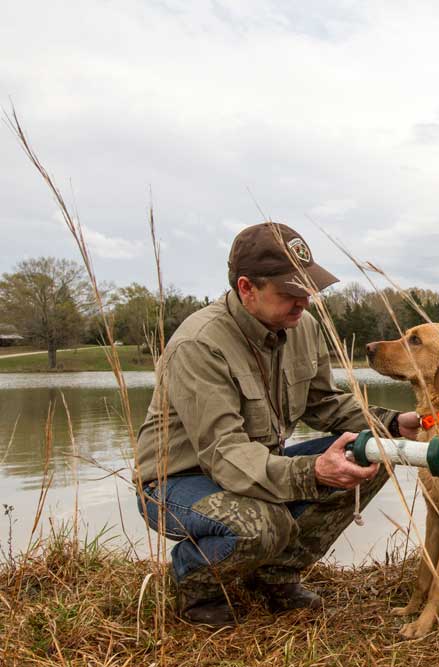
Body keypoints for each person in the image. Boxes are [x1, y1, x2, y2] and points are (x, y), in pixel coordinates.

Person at [134, 221, 420, 627]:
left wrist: (391, 424)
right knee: (263, 525)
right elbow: (226, 456)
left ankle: (272, 578)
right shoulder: (199, 344)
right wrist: (312, 472)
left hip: (253, 466)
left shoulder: (301, 326)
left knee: (375, 453)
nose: (304, 301)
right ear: (247, 288)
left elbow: (324, 404)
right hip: (176, 482)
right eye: (291, 291)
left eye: (309, 289)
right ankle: (195, 584)